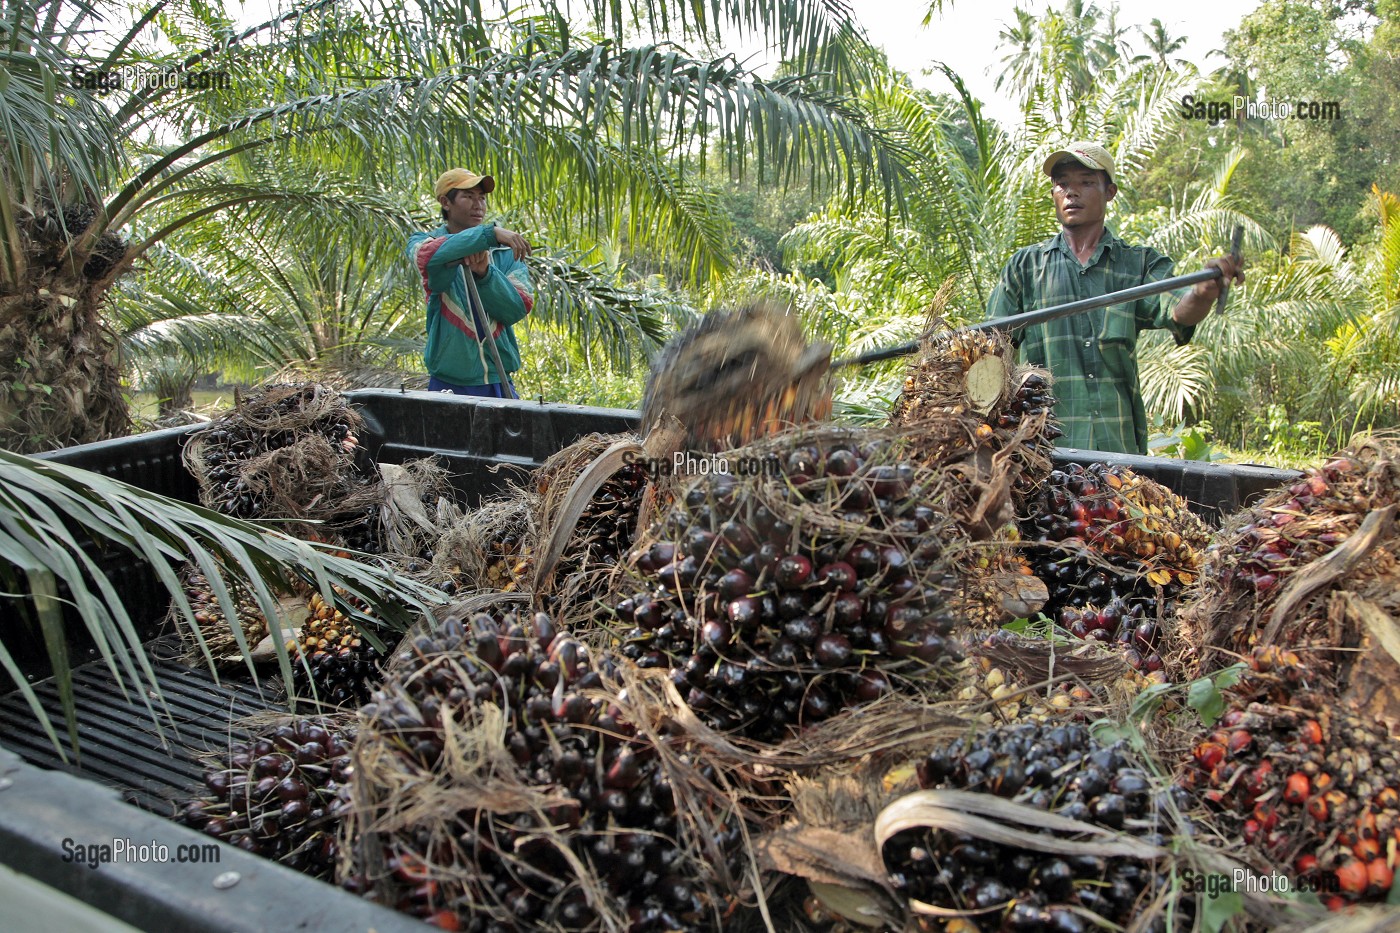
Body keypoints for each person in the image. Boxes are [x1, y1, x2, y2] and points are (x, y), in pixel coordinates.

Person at [986, 141, 1244, 455]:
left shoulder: (1139, 264)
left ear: (1110, 192)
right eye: (1062, 184)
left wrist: (1204, 293)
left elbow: (1179, 309)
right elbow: (992, 350)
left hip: (1117, 448)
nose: (1071, 192)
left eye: (1085, 182)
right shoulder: (1025, 267)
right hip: (1043, 451)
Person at [407, 168, 534, 397]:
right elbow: (428, 257)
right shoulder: (425, 243)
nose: (479, 205)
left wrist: (485, 273)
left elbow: (518, 306)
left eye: (482, 198)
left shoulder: (505, 253)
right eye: (468, 196)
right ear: (446, 202)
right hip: (448, 384)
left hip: (499, 380)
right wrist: (488, 235)